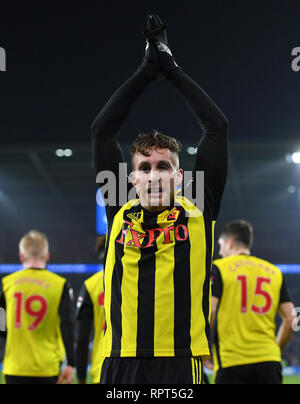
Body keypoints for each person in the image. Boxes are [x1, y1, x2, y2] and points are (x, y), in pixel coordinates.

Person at [92, 15, 228, 384]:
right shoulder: (119, 202)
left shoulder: (197, 204)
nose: (154, 175)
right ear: (131, 177)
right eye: (146, 167)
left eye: (164, 166)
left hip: (180, 364)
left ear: (180, 177)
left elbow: (216, 128)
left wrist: (170, 67)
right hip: (120, 361)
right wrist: (144, 72)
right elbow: (103, 132)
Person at [210, 220, 296, 384]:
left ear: (230, 243)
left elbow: (211, 311)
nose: (220, 252)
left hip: (232, 361)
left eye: (220, 245)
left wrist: (204, 347)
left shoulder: (220, 268)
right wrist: (275, 349)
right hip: (269, 361)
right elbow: (291, 318)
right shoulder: (274, 271)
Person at [0, 230, 75, 384]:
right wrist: (71, 363)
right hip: (47, 367)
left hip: (15, 367)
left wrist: (13, 336)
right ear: (47, 256)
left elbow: (0, 324)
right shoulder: (59, 284)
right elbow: (67, 325)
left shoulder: (7, 283)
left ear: (21, 256)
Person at [75, 236, 106, 384]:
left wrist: (81, 378)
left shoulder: (91, 285)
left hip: (103, 369)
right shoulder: (144, 278)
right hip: (138, 369)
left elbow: (82, 340)